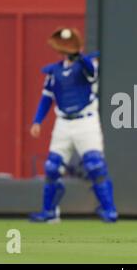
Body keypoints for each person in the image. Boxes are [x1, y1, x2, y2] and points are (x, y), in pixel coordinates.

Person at [29, 27, 117, 223]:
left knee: (95, 165)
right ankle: (49, 212)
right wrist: (37, 121)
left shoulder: (86, 64)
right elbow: (46, 99)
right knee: (52, 167)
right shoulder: (54, 72)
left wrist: (78, 54)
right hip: (63, 124)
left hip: (86, 121)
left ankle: (109, 210)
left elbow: (91, 71)